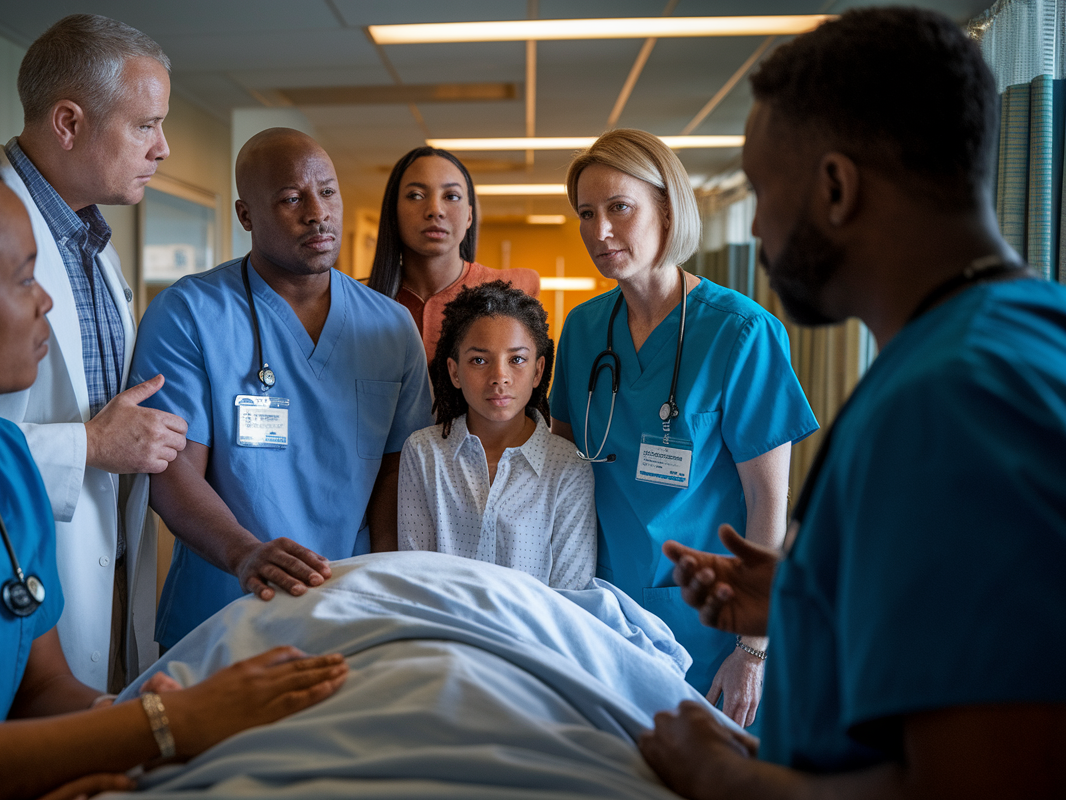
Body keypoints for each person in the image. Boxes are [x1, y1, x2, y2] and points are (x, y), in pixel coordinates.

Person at [0, 129, 348, 800]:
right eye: (25, 278)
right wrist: (162, 725)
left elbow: (42, 686)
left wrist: (126, 724)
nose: (46, 300)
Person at [637, 9, 1066, 799]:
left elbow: (987, 784)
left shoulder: (956, 399)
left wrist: (719, 776)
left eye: (764, 191)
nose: (757, 225)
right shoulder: (1023, 331)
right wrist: (819, 598)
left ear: (836, 187)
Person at [548, 128, 818, 726]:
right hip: (602, 614)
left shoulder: (741, 332)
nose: (600, 232)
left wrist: (754, 645)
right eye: (586, 214)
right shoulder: (583, 330)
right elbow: (560, 473)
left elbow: (768, 500)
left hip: (713, 627)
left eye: (619, 207)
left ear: (667, 208)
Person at [132, 127, 434, 651]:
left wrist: (382, 583)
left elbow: (397, 471)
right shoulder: (190, 315)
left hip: (349, 608)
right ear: (246, 216)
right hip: (224, 611)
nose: (317, 212)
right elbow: (172, 471)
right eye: (291, 198)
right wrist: (245, 554)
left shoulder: (389, 327)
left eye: (328, 191)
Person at [0, 14, 189, 692]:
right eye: (145, 125)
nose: (163, 149)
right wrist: (91, 448)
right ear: (68, 123)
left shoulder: (93, 245)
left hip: (106, 566)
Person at [398, 281, 596, 590]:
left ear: (538, 371)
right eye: (479, 360)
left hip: (534, 636)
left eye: (517, 359)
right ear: (454, 372)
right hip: (442, 634)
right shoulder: (424, 452)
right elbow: (415, 581)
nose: (499, 377)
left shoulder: (568, 467)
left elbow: (570, 596)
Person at [368, 146, 541, 364]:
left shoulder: (515, 289)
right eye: (416, 195)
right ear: (393, 212)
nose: (435, 210)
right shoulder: (356, 302)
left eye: (451, 196)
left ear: (469, 215)